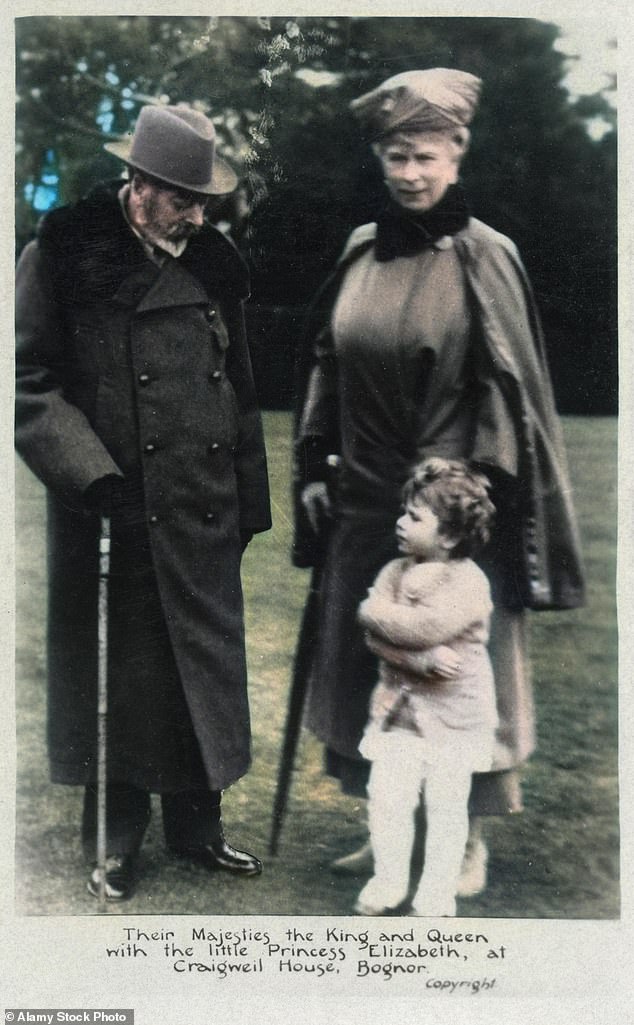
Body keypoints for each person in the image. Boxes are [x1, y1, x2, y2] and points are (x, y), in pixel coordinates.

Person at [292, 68, 585, 895]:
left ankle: (463, 841)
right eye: (394, 156)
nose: (409, 173)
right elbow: (327, 362)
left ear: (458, 153)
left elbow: (507, 388)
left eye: (424, 155)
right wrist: (316, 463)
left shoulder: (488, 256)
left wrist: (466, 499)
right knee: (367, 655)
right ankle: (383, 822)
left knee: (458, 662)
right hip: (364, 494)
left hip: (454, 504)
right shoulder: (360, 248)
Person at [15, 104, 272, 901]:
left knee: (202, 665)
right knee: (121, 672)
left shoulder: (216, 263)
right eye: (181, 196)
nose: (198, 212)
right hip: (110, 507)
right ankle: (115, 838)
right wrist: (95, 477)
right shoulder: (65, 254)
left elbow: (240, 386)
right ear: (139, 184)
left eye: (204, 198)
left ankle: (199, 828)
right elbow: (24, 382)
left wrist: (248, 500)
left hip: (202, 505)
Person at [355, 458, 497, 917]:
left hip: (454, 719)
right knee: (388, 797)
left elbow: (425, 626)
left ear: (451, 536)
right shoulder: (394, 571)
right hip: (398, 713)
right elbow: (372, 630)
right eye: (403, 512)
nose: (400, 522)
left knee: (445, 806)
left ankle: (436, 893)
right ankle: (388, 881)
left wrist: (382, 621)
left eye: (414, 517)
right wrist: (416, 657)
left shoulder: (468, 581)